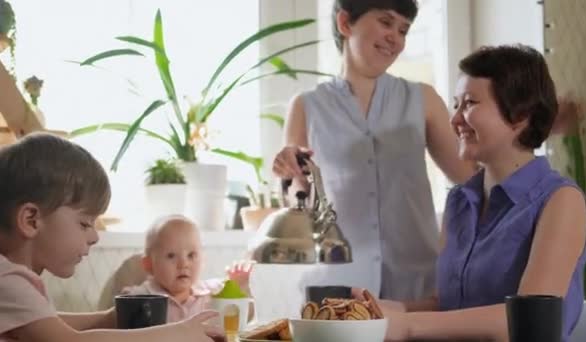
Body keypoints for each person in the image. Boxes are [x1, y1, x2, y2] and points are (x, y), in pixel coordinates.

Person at [357, 44, 586, 341]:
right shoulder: (459, 201)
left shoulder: (560, 200)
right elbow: (446, 307)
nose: (454, 120)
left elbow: (528, 322)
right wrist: (383, 310)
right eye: (456, 105)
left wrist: (405, 325)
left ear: (520, 114)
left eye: (469, 103)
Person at [271, 0, 476, 301]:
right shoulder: (306, 106)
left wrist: (518, 133)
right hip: (336, 283)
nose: (396, 37)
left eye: (403, 29)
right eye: (385, 21)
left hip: (418, 284)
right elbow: (298, 200)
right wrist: (289, 173)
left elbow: (469, 177)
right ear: (345, 23)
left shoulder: (423, 99)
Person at [0, 133, 224, 342]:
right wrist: (175, 334)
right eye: (85, 223)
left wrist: (108, 318)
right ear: (31, 220)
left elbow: (51, 323)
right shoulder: (7, 280)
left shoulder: (12, 282)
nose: (95, 237)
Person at [122, 215, 255, 322]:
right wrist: (126, 304)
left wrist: (237, 285)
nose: (183, 264)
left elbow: (240, 315)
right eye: (171, 256)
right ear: (148, 264)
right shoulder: (141, 296)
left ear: (203, 260)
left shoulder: (212, 292)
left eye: (191, 255)